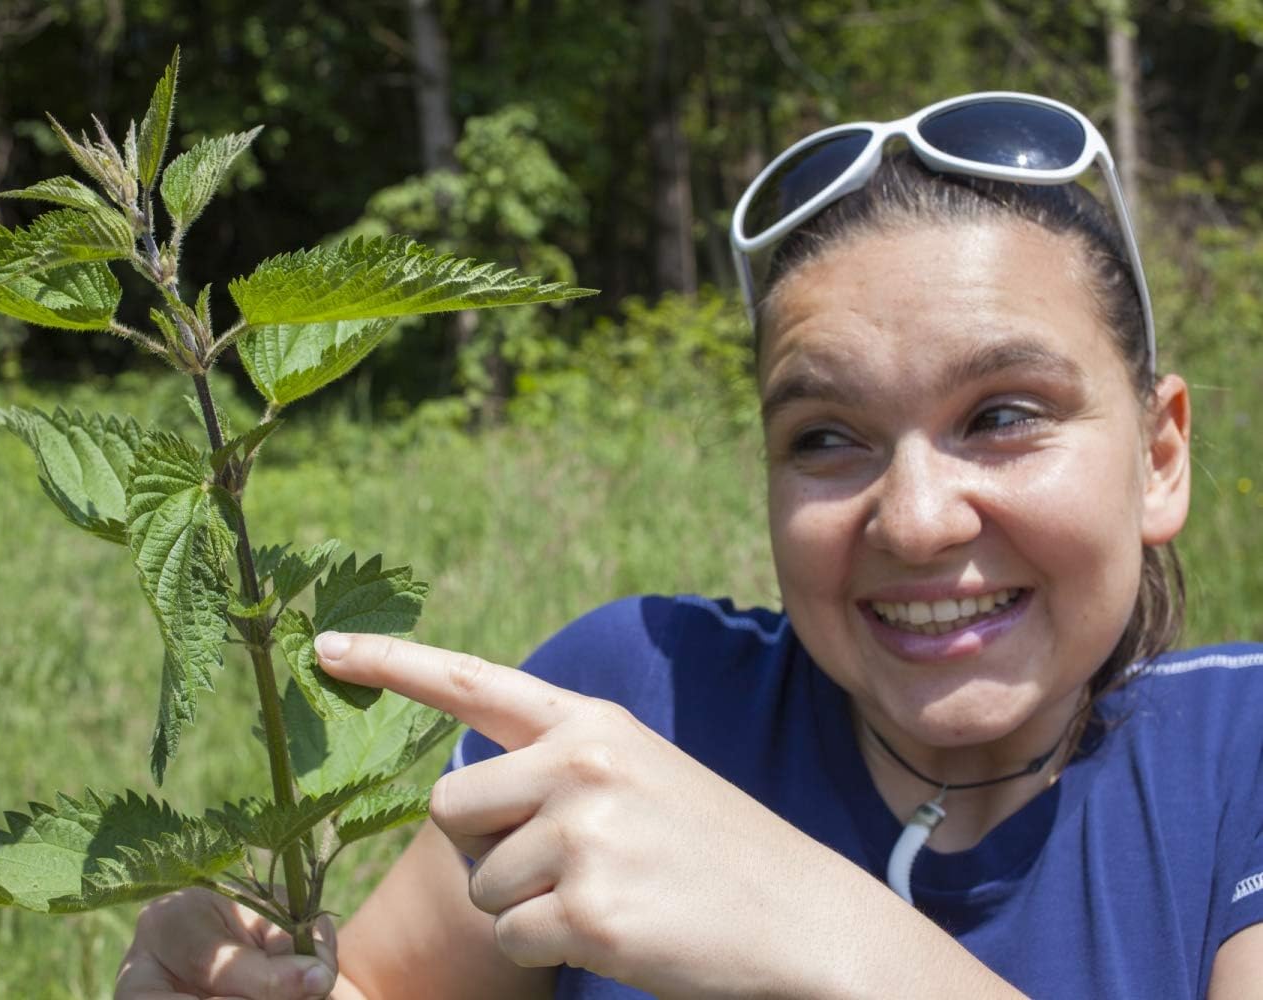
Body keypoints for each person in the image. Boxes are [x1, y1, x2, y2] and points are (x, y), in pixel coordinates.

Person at [114, 93, 1263, 999]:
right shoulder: (633, 704)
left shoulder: (1241, 759)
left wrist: (814, 927)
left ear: (1161, 455)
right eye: (827, 436)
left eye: (1003, 415)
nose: (914, 518)